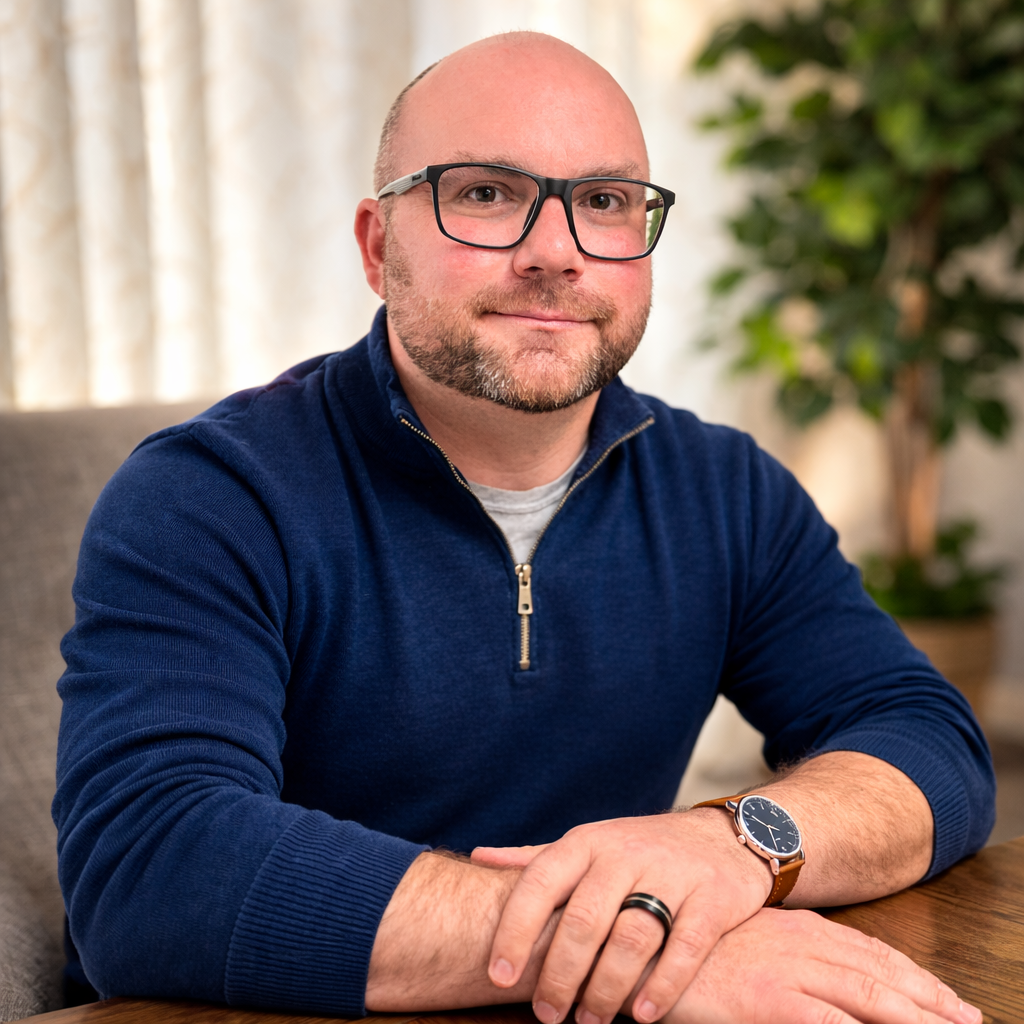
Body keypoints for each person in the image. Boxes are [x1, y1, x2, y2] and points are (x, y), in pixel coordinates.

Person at [54, 31, 993, 1024]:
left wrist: (729, 843)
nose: (557, 252)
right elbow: (151, 869)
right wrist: (635, 940)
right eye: (486, 193)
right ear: (378, 248)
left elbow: (928, 742)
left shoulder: (725, 489)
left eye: (605, 201)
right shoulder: (208, 494)